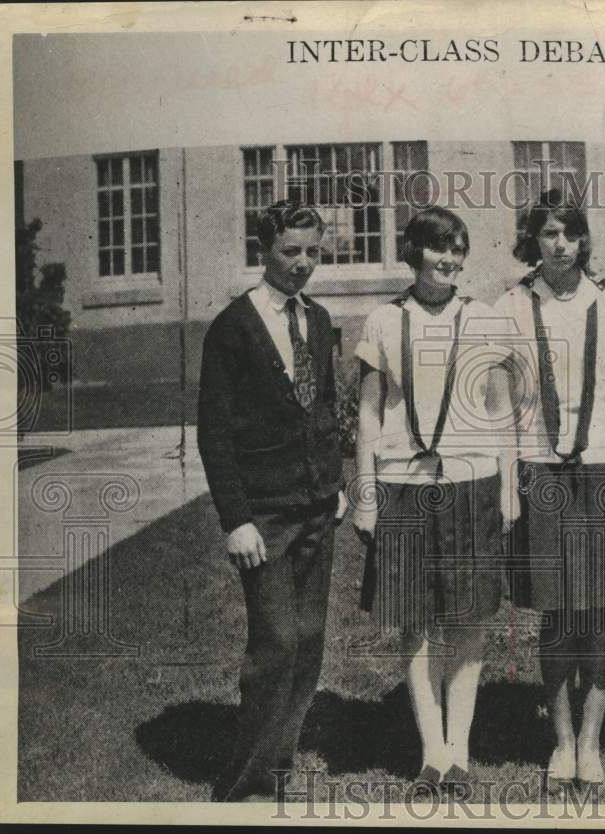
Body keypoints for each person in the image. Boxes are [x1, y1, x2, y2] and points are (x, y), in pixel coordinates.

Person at [496, 190, 605, 790]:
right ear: (533, 241)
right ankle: (561, 743)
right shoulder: (513, 305)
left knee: (597, 610)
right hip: (542, 468)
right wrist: (511, 476)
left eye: (570, 233)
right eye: (548, 234)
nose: (560, 244)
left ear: (584, 238)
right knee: (558, 611)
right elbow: (503, 402)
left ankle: (592, 743)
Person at [352, 206, 518, 796]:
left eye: (458, 249)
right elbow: (369, 415)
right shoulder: (381, 321)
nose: (449, 260)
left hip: (472, 484)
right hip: (403, 488)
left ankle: (462, 753)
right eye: (438, 248)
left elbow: (502, 412)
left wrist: (508, 488)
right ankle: (432, 755)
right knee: (416, 625)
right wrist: (366, 494)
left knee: (469, 621)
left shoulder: (486, 320)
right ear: (413, 252)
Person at [197, 200, 347, 802]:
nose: (304, 263)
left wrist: (334, 489)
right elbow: (216, 432)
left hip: (316, 508)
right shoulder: (233, 328)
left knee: (308, 641)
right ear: (264, 251)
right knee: (276, 641)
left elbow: (326, 409)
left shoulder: (317, 318)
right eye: (292, 251)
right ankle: (243, 784)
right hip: (265, 517)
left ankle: (278, 767)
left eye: (313, 251)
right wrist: (237, 520)